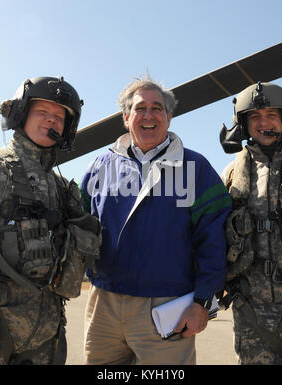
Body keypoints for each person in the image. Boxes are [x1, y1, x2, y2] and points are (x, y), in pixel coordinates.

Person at [80, 75, 231, 365]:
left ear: (169, 117)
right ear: (126, 118)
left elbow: (214, 240)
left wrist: (202, 301)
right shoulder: (99, 167)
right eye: (139, 108)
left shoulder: (196, 168)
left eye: (157, 108)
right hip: (103, 304)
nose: (148, 115)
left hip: (167, 306)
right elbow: (78, 225)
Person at [0, 76, 101, 365]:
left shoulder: (64, 189)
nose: (51, 121)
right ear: (21, 114)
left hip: (47, 335)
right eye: (42, 112)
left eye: (59, 116)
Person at [220, 81, 282, 364]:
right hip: (254, 310)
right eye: (255, 117)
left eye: (271, 115)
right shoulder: (232, 173)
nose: (264, 123)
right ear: (244, 125)